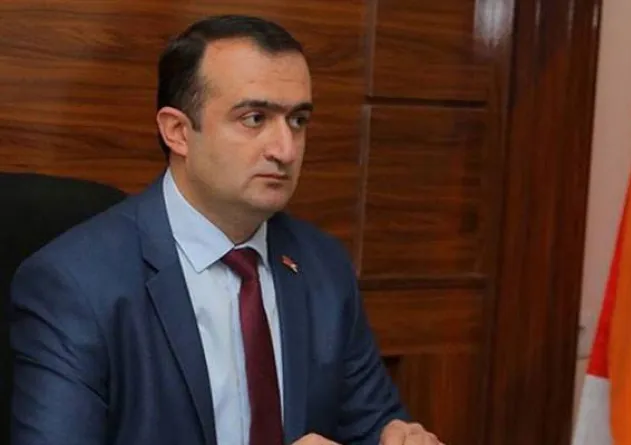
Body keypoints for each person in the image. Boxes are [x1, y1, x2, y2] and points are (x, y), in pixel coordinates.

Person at [9, 14, 442, 445]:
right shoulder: (75, 285)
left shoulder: (322, 265)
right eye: (255, 118)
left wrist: (398, 437)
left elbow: (372, 422)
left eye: (297, 121)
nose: (285, 150)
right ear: (178, 132)